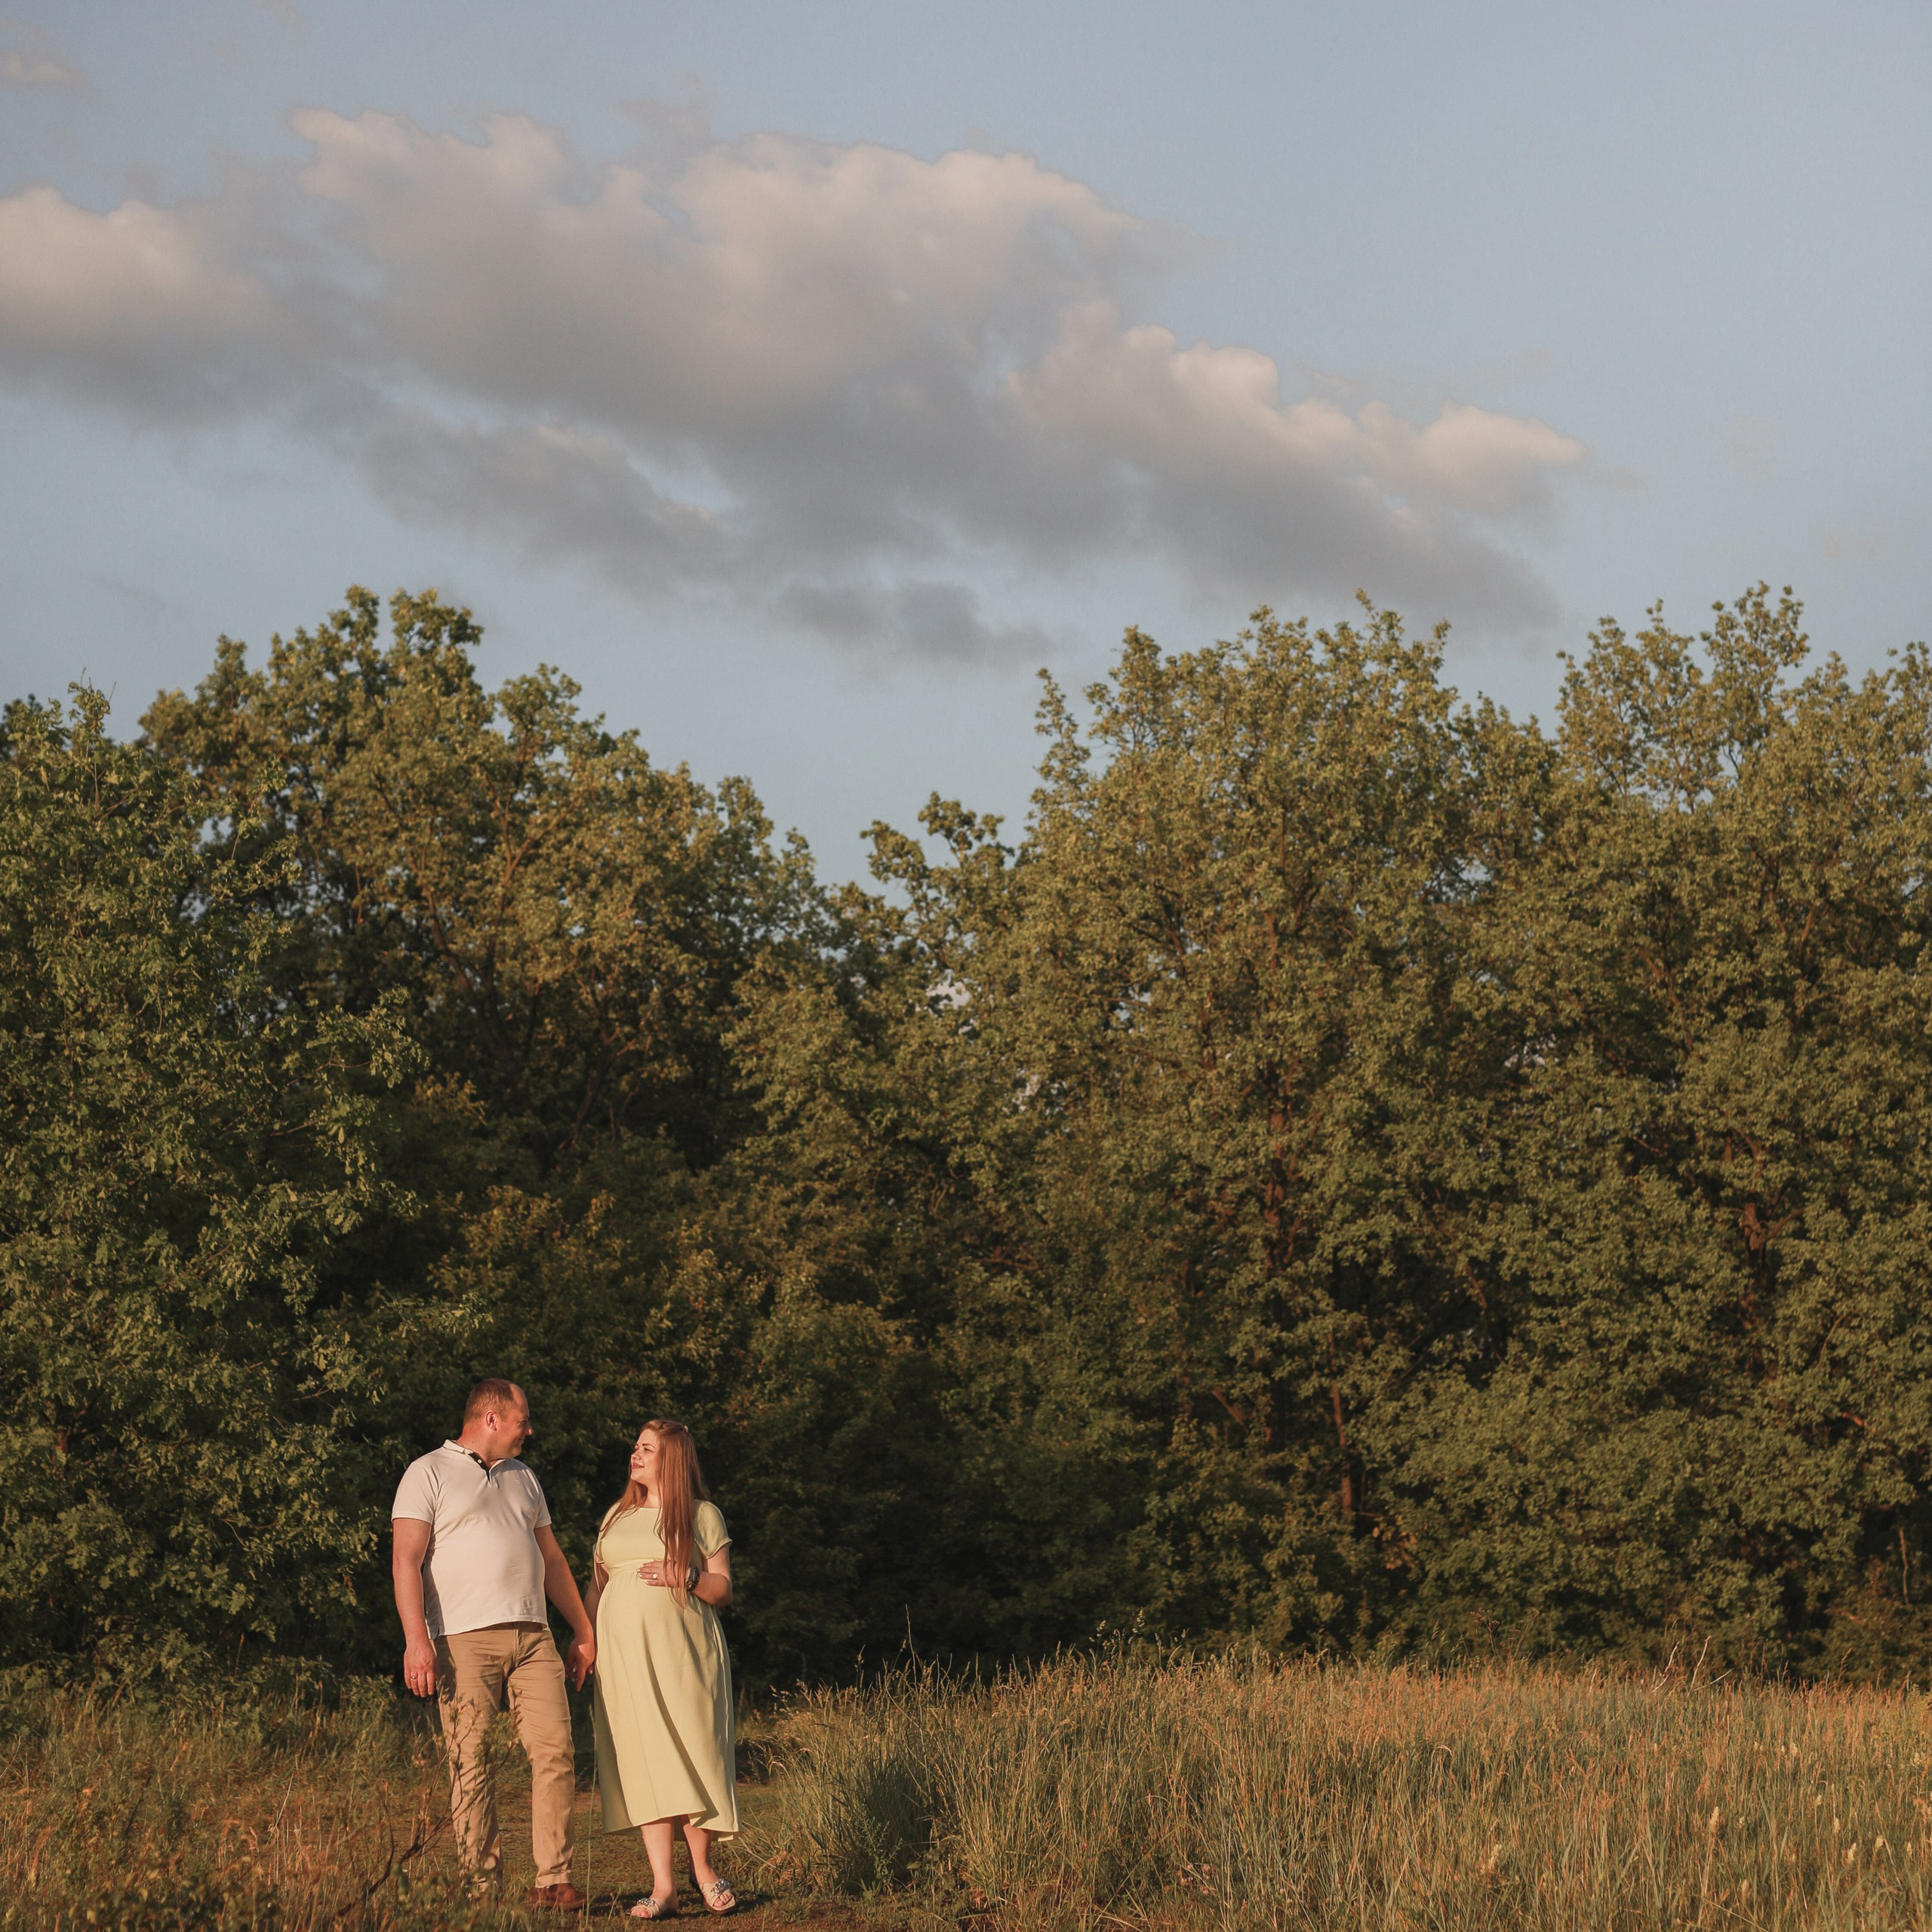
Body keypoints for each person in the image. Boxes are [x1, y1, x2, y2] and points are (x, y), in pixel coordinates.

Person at [392, 1378, 596, 1910]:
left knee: (556, 1752)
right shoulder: (427, 1472)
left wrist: (583, 1629)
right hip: (462, 1639)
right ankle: (481, 1889)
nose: (529, 1430)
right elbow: (405, 1561)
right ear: (491, 1419)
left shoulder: (524, 1477)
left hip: (534, 1636)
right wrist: (417, 1640)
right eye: (522, 1420)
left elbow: (552, 1559)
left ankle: (554, 1881)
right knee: (471, 1760)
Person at [585, 1418, 738, 1919]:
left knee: (692, 1751)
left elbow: (723, 1589)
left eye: (647, 1449)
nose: (635, 1454)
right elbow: (597, 1586)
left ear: (672, 1459)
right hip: (623, 1658)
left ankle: (704, 1870)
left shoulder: (701, 1514)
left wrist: (688, 1575)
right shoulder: (616, 1515)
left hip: (684, 1652)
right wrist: (584, 1640)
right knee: (644, 1757)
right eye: (636, 1446)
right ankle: (664, 1886)